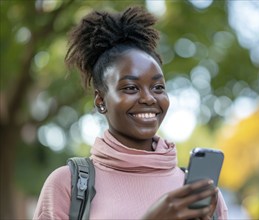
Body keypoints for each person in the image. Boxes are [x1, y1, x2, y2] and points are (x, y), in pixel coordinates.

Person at [33, 6, 228, 219]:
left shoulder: (196, 192)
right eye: (131, 88)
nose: (149, 98)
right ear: (100, 100)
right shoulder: (68, 184)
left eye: (158, 87)